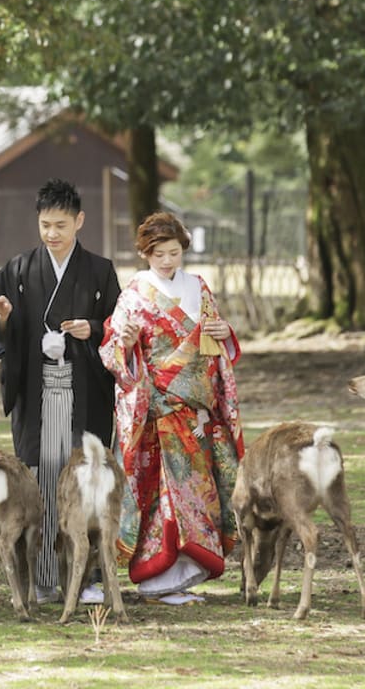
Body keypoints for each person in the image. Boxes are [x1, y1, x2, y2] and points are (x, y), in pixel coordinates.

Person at [0, 177, 120, 604]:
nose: (52, 234)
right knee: (37, 480)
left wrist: (91, 327)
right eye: (45, 225)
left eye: (60, 224)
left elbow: (117, 325)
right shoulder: (18, 269)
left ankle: (84, 577)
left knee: (82, 480)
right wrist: (0, 317)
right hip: (36, 394)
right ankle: (40, 578)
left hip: (83, 393)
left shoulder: (100, 270)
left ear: (79, 221)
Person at [99, 210, 245, 605]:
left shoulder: (199, 287)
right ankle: (155, 580)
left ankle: (181, 576)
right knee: (162, 496)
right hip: (156, 410)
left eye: (174, 252)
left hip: (195, 410)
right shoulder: (133, 293)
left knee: (196, 494)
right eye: (159, 253)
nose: (167, 261)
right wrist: (126, 343)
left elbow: (215, 347)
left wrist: (221, 332)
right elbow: (113, 350)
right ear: (146, 253)